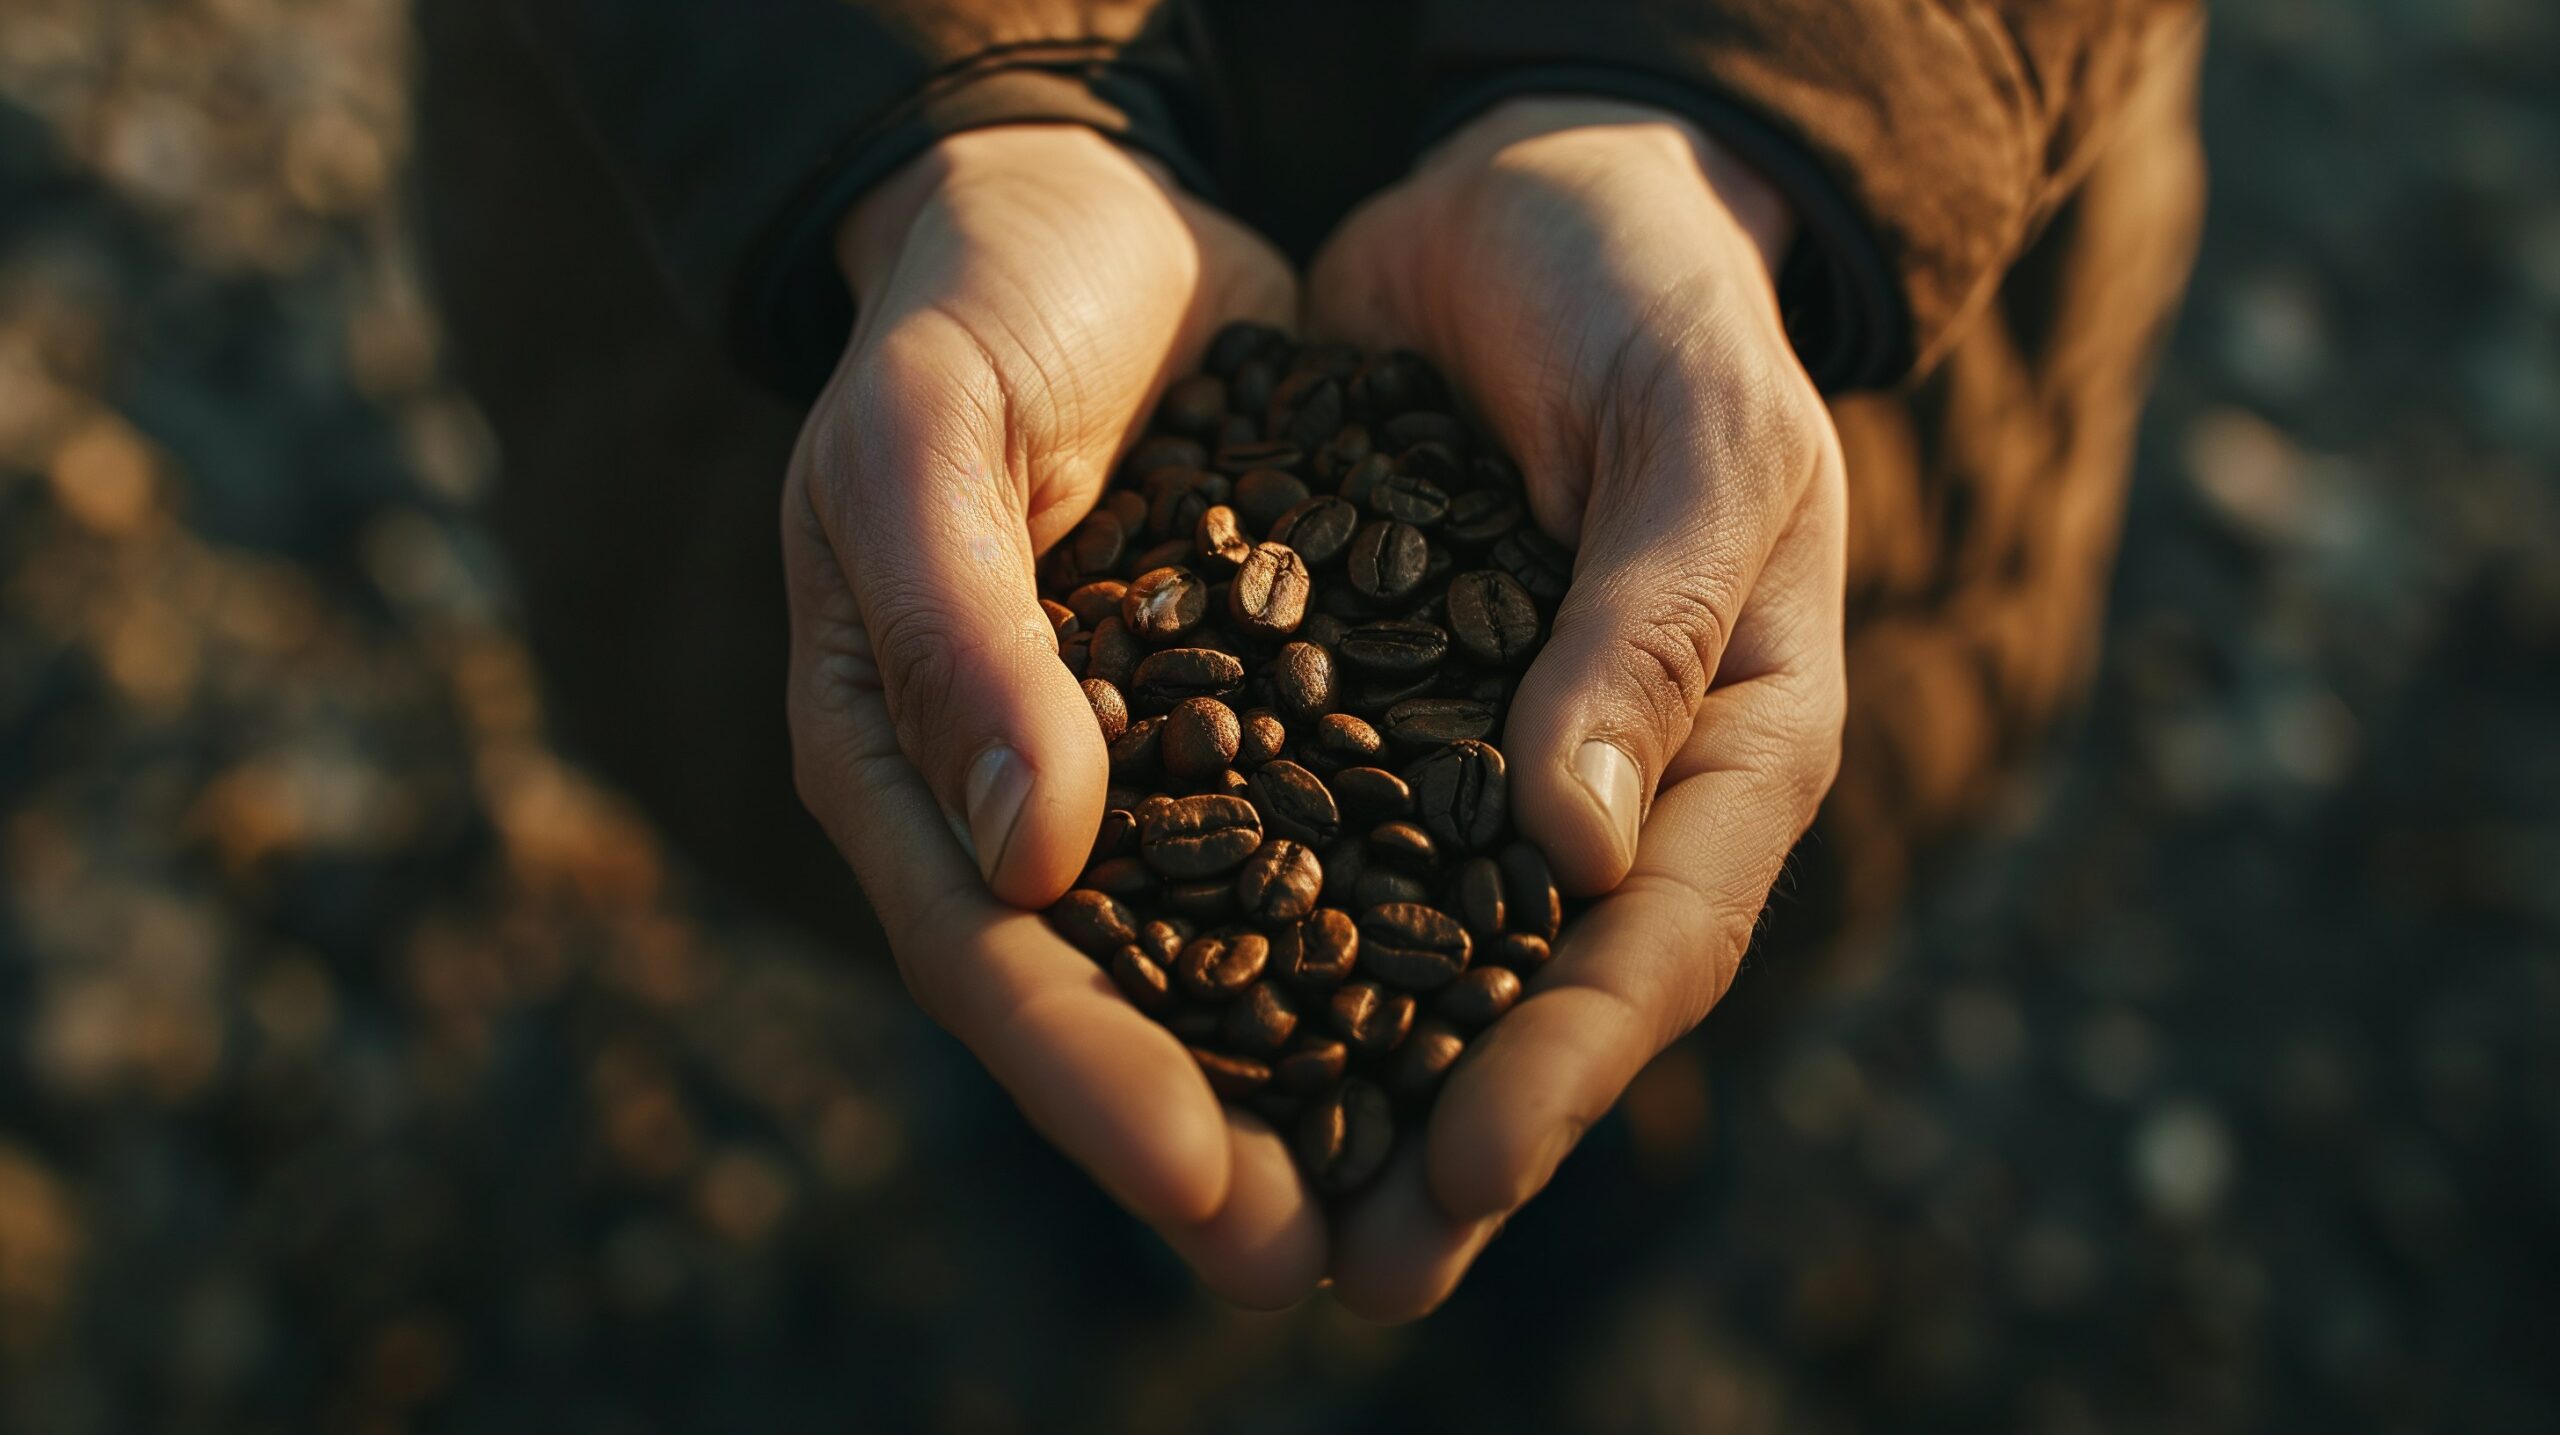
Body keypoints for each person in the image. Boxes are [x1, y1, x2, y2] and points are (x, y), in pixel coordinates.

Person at [417, 0, 2205, 1319]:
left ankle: (1595, 1205)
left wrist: (1723, 110)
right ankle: (1082, 1184)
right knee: (972, 777)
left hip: (1837, 214)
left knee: (1663, 933)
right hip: (789, 161)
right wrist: (942, 110)